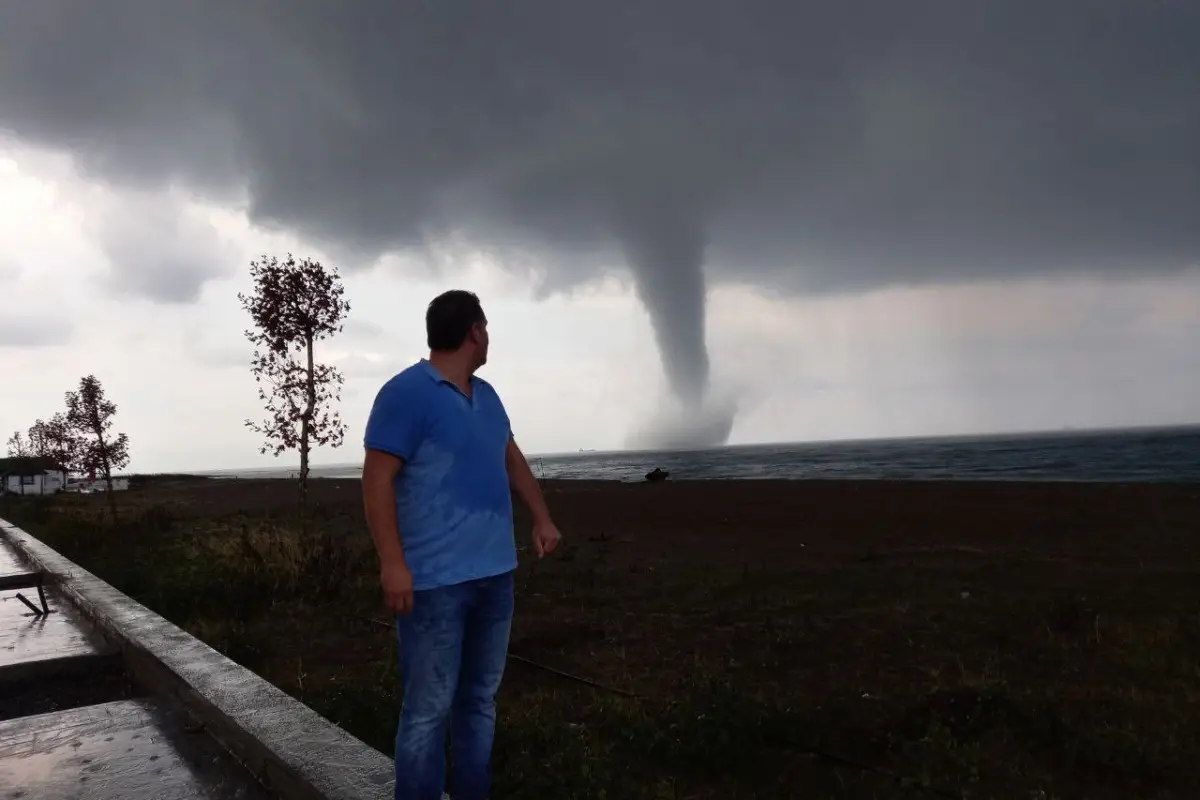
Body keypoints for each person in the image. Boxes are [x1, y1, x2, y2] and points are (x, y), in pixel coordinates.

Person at [362, 289, 562, 800]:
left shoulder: (488, 395)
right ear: (474, 331)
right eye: (487, 327)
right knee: (428, 710)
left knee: (479, 701)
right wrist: (392, 564)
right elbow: (377, 479)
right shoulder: (405, 393)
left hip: (496, 575)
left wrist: (541, 518)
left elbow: (511, 457)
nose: (489, 336)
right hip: (432, 584)